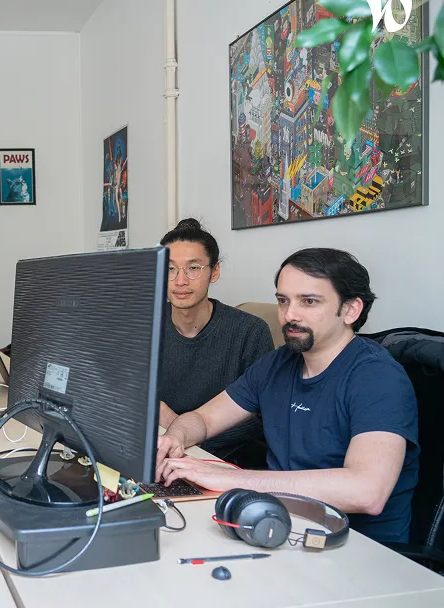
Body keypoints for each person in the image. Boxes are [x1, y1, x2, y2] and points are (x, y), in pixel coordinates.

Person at [156, 248, 419, 544]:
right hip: (280, 526)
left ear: (351, 310)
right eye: (283, 301)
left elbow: (366, 491)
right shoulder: (278, 363)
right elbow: (203, 419)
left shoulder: (378, 377)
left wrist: (235, 479)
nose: (290, 315)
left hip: (356, 549)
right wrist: (174, 438)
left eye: (309, 301)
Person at [157, 219, 274, 464]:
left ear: (215, 271)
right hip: (160, 448)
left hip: (227, 456)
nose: (180, 281)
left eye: (193, 268)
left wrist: (188, 434)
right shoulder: (147, 326)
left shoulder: (250, 331)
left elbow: (264, 416)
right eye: (170, 269)